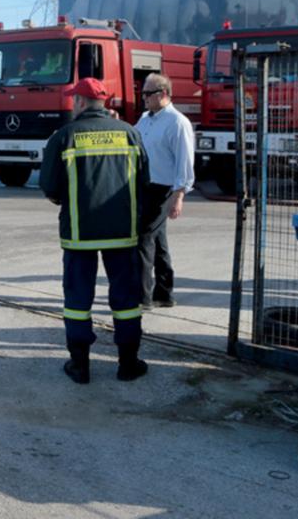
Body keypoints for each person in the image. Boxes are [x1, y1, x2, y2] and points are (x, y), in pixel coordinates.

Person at [40, 77, 151, 384]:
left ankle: (80, 366)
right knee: (127, 300)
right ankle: (128, 364)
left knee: (77, 301)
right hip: (123, 232)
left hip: (79, 234)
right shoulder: (130, 133)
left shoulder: (64, 136)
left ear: (79, 102)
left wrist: (68, 198)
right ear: (104, 103)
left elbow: (49, 187)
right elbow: (145, 181)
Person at [134, 73, 195, 309]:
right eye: (142, 94)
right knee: (158, 242)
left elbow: (185, 162)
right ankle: (164, 293)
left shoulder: (177, 122)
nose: (144, 98)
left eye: (148, 94)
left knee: (144, 238)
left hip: (163, 189)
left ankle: (142, 297)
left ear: (163, 94)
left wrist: (179, 195)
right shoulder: (145, 119)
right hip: (146, 186)